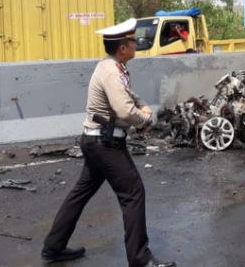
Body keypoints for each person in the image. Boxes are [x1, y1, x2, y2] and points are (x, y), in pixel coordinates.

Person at [41, 18, 175, 267]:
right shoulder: (113, 72)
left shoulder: (111, 67)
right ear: (123, 47)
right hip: (105, 144)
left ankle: (53, 248)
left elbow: (129, 96)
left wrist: (140, 106)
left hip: (95, 141)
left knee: (80, 193)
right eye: (133, 41)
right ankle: (140, 259)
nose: (136, 44)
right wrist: (144, 118)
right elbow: (124, 110)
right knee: (133, 193)